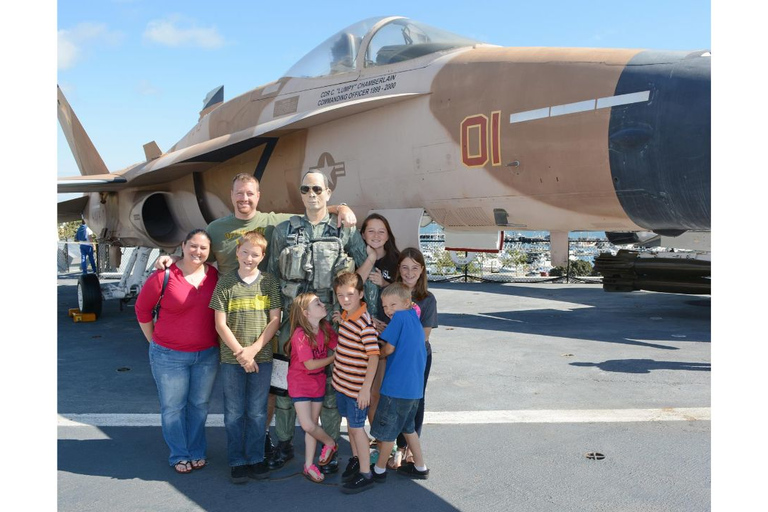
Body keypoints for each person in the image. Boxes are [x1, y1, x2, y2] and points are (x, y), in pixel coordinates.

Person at [154, 172, 356, 468]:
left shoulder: (275, 222)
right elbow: (196, 249)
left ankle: (266, 441)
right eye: (239, 193)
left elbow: (314, 209)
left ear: (258, 196)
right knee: (261, 395)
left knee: (274, 390)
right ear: (231, 195)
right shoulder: (217, 227)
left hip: (268, 321)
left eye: (250, 194)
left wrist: (342, 208)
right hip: (231, 323)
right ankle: (259, 448)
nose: (244, 199)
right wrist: (170, 257)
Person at [267, 170, 369, 474]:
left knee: (329, 391)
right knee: (284, 389)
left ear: (328, 193)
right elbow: (272, 276)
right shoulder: (283, 230)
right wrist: (273, 317)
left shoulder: (344, 230)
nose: (311, 194)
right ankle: (284, 443)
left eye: (317, 189)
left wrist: (368, 316)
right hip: (290, 324)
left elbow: (361, 270)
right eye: (305, 189)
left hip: (331, 323)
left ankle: (330, 445)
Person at [135, 229, 219, 474]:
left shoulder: (213, 275)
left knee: (199, 406)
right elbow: (142, 311)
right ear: (183, 246)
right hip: (169, 356)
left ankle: (196, 450)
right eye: (193, 246)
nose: (198, 252)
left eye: (203, 248)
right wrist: (155, 342)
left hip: (206, 355)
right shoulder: (164, 275)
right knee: (173, 408)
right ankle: (179, 454)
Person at [209, 231, 282, 484]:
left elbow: (275, 319)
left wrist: (253, 351)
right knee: (234, 412)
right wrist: (241, 353)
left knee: (257, 412)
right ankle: (237, 461)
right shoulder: (226, 283)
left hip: (261, 358)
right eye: (245, 252)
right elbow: (220, 324)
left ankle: (255, 458)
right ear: (237, 251)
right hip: (232, 361)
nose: (249, 258)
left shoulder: (269, 282)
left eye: (255, 254)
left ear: (262, 257)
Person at [370, 282, 429, 482]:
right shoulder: (414, 317)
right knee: (408, 428)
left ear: (406, 303)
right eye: (385, 306)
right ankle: (420, 466)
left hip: (396, 388)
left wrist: (376, 354)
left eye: (392, 305)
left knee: (387, 432)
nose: (388, 310)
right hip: (413, 390)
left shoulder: (400, 318)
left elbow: (388, 349)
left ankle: (379, 470)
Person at [330, 272, 380, 494]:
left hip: (356, 390)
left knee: (357, 429)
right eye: (340, 295)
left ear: (361, 293)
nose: (345, 299)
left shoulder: (364, 324)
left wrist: (365, 389)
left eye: (350, 294)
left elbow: (374, 356)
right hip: (343, 384)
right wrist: (340, 319)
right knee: (350, 427)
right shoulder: (348, 315)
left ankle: (365, 472)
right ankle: (356, 458)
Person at [391, 247, 439, 467]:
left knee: (416, 402)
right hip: (393, 358)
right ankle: (398, 446)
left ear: (422, 271)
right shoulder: (391, 295)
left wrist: (396, 332)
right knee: (396, 401)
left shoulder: (427, 299)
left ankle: (411, 446)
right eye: (404, 267)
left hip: (418, 360)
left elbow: (424, 336)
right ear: (399, 270)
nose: (409, 272)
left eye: (414, 268)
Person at [285, 293, 339, 483]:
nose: (322, 304)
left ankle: (309, 465)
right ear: (306, 313)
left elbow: (338, 345)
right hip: (300, 382)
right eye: (317, 303)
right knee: (308, 424)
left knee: (313, 425)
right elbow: (310, 364)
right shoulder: (301, 334)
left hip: (317, 382)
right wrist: (333, 358)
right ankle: (330, 443)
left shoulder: (325, 328)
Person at [355, 213, 400, 432]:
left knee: (380, 392)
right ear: (362, 234)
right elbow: (353, 286)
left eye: (381, 231)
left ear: (388, 235)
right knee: (368, 392)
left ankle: (384, 440)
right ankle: (377, 438)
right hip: (362, 336)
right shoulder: (355, 257)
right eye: (370, 231)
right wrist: (370, 259)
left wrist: (385, 283)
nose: (376, 235)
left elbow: (406, 296)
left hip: (387, 338)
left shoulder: (397, 261)